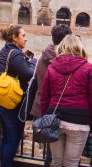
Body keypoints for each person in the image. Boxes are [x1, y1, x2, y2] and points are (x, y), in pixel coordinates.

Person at [41, 34, 92, 167]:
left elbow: (45, 96)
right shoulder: (88, 67)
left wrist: (45, 118)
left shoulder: (52, 67)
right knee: (71, 163)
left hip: (54, 118)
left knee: (56, 161)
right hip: (78, 120)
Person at [0, 25, 36, 167]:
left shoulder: (5, 50)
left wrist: (25, 59)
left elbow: (13, 69)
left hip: (1, 98)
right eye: (23, 35)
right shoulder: (15, 53)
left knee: (7, 137)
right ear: (14, 37)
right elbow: (27, 74)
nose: (26, 38)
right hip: (11, 100)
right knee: (13, 138)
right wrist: (34, 61)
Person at [30, 24, 72, 167]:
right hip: (56, 109)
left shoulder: (44, 55)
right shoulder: (62, 61)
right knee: (58, 155)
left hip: (42, 107)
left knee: (52, 153)